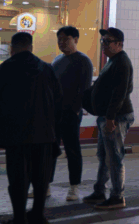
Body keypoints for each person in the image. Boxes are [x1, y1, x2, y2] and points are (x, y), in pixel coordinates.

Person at [0, 32, 62, 224]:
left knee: (18, 176)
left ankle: (19, 218)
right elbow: (57, 98)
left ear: (12, 48)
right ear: (31, 47)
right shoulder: (46, 68)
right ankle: (38, 215)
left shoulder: (6, 67)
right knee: (40, 177)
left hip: (16, 133)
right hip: (43, 132)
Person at [83, 28, 134, 211]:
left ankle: (117, 196)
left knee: (114, 157)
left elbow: (119, 93)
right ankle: (99, 191)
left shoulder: (122, 62)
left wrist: (111, 119)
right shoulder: (112, 61)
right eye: (102, 41)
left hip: (116, 118)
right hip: (107, 116)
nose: (103, 44)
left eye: (107, 41)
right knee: (104, 156)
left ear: (119, 44)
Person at [50, 26, 93, 202]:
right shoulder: (57, 61)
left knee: (72, 150)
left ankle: (74, 187)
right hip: (53, 113)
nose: (61, 43)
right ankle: (44, 185)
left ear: (75, 39)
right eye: (59, 39)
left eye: (65, 39)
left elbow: (84, 89)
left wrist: (75, 111)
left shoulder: (83, 61)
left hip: (71, 114)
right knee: (50, 150)